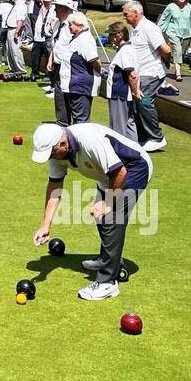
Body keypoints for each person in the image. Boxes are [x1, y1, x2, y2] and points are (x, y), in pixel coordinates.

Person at [30, 121, 153, 300]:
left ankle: (107, 283)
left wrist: (108, 203)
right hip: (108, 174)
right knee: (99, 215)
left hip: (134, 168)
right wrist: (45, 225)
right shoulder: (57, 153)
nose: (50, 158)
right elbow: (55, 187)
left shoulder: (89, 141)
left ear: (63, 144)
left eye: (51, 153)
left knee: (111, 217)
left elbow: (120, 172)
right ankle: (108, 259)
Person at [122, 0, 171, 152]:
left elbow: (166, 50)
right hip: (140, 74)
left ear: (136, 13)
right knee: (138, 103)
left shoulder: (149, 28)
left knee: (145, 101)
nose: (124, 17)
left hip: (151, 73)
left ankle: (157, 138)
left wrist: (167, 63)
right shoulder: (135, 29)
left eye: (126, 14)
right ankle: (143, 137)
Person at [51, 10, 101, 124]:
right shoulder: (77, 37)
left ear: (80, 25)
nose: (69, 26)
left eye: (71, 24)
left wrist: (101, 71)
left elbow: (93, 60)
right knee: (78, 118)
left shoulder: (85, 39)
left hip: (80, 87)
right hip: (74, 85)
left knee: (80, 120)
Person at [156, 0, 191, 82]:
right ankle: (178, 73)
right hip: (173, 32)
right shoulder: (171, 7)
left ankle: (168, 60)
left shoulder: (189, 7)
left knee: (182, 53)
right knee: (178, 50)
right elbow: (163, 19)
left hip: (186, 34)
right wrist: (157, 31)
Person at [105, 22, 139, 141]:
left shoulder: (125, 51)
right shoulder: (128, 48)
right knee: (129, 124)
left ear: (120, 35)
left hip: (119, 94)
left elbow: (132, 74)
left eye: (111, 34)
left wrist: (135, 91)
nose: (109, 37)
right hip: (124, 94)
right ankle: (134, 149)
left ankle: (119, 150)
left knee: (118, 128)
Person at [4, 0, 28, 74]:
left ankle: (21, 69)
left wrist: (17, 31)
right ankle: (13, 67)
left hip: (15, 29)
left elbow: (20, 19)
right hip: (11, 28)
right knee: (9, 49)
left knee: (15, 50)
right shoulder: (17, 4)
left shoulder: (20, 4)